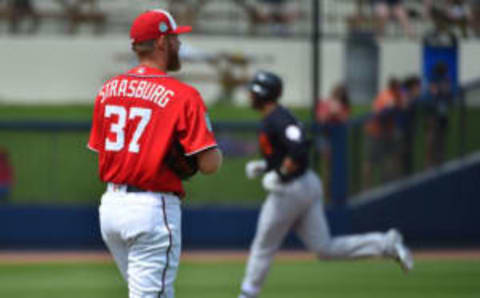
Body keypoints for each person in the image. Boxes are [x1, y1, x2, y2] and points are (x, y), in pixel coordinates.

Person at [238, 71, 413, 298]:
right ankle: (387, 244)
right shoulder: (276, 117)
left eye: (253, 91)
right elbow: (288, 149)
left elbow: (299, 147)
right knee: (324, 248)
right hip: (306, 184)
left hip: (290, 189)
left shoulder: (277, 118)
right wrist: (265, 166)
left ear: (263, 93)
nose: (250, 95)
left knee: (263, 246)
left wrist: (280, 173)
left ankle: (247, 294)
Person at [87, 9, 222, 298]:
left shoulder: (107, 90)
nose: (179, 44)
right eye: (175, 38)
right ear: (161, 42)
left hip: (110, 209)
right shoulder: (183, 95)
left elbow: (106, 151)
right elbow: (209, 164)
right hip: (151, 211)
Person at [363, 78, 403, 189]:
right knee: (370, 161)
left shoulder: (396, 95)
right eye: (398, 88)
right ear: (394, 87)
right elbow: (384, 112)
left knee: (389, 159)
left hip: (385, 133)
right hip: (375, 132)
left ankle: (387, 184)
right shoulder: (387, 96)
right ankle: (367, 188)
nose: (399, 90)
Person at [315, 84, 351, 199]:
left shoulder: (344, 105)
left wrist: (338, 112)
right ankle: (327, 195)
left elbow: (345, 119)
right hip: (325, 139)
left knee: (336, 170)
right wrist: (330, 113)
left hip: (338, 141)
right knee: (328, 170)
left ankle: (334, 194)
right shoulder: (325, 103)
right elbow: (321, 119)